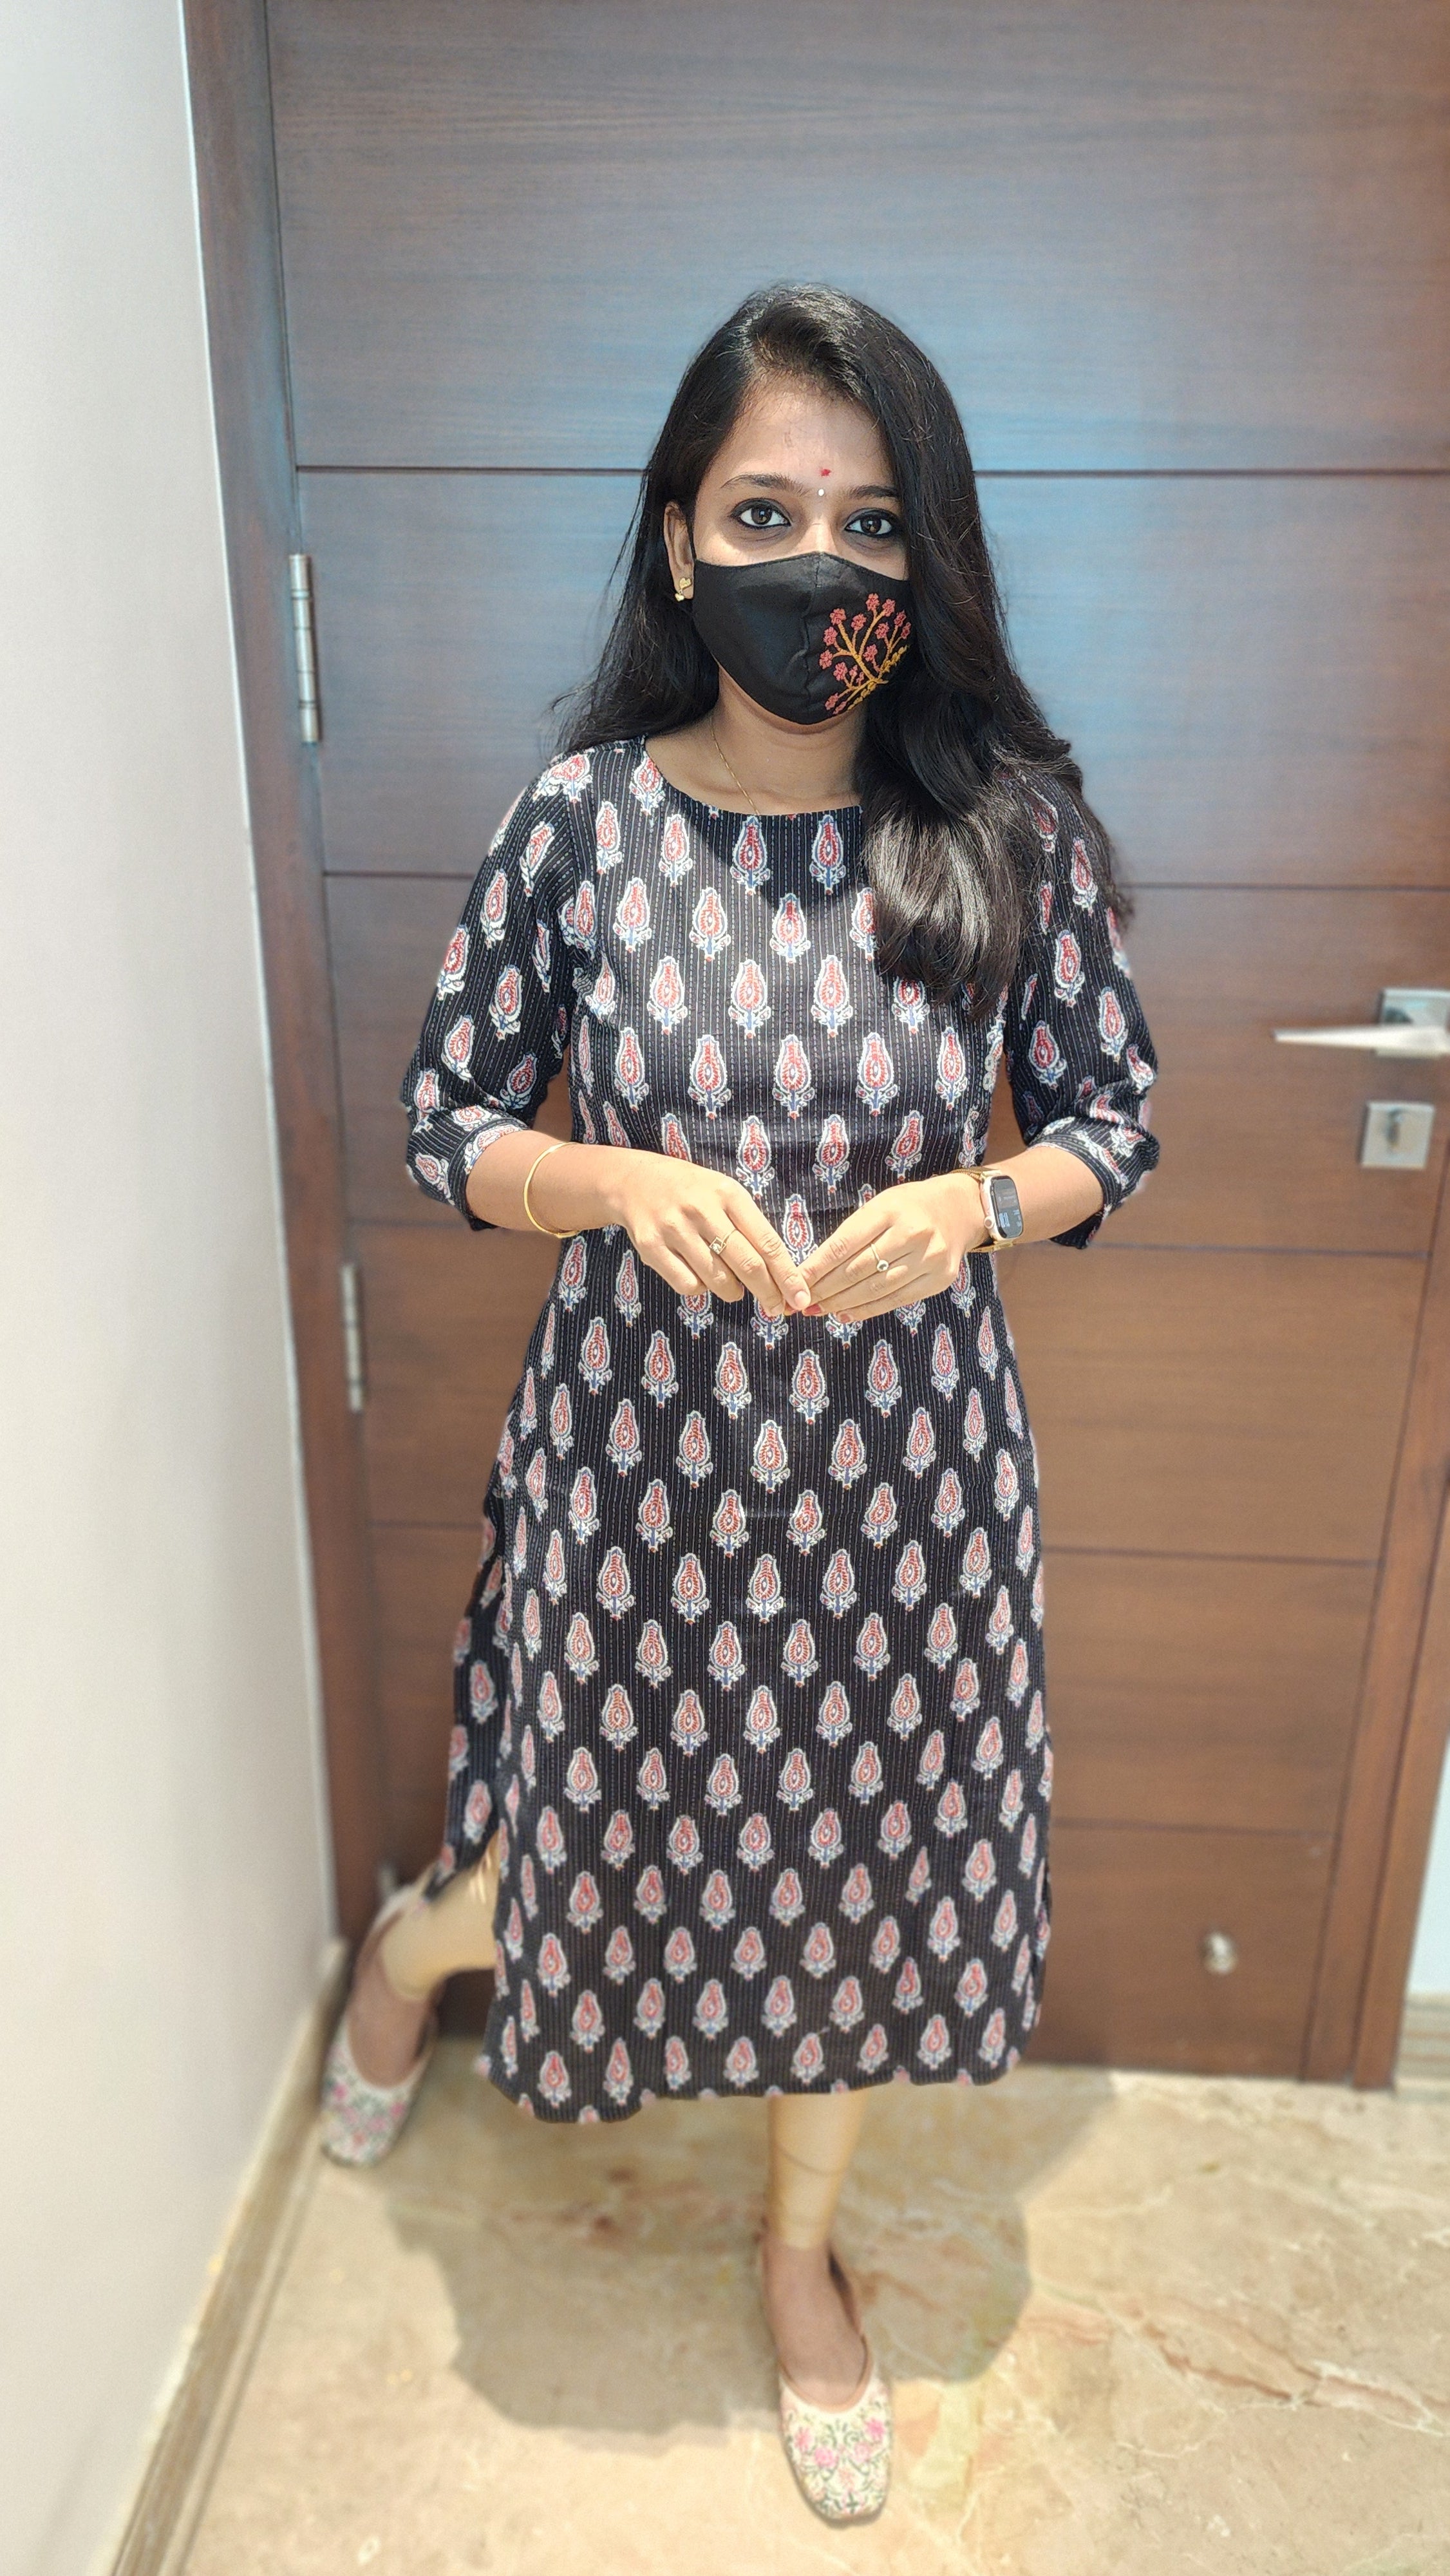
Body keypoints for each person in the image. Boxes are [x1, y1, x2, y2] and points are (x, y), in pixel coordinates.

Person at [320, 281, 1158, 2524]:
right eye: (763, 512)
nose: (818, 567)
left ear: (925, 555)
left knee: (859, 1883)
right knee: (586, 1847)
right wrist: (609, 1178)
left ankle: (798, 2255)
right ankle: (414, 1952)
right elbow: (444, 1123)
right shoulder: (579, 825)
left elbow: (1113, 1120)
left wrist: (977, 1202)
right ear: (679, 539)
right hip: (635, 1471)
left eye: (868, 523)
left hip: (909, 1489)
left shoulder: (1001, 826)